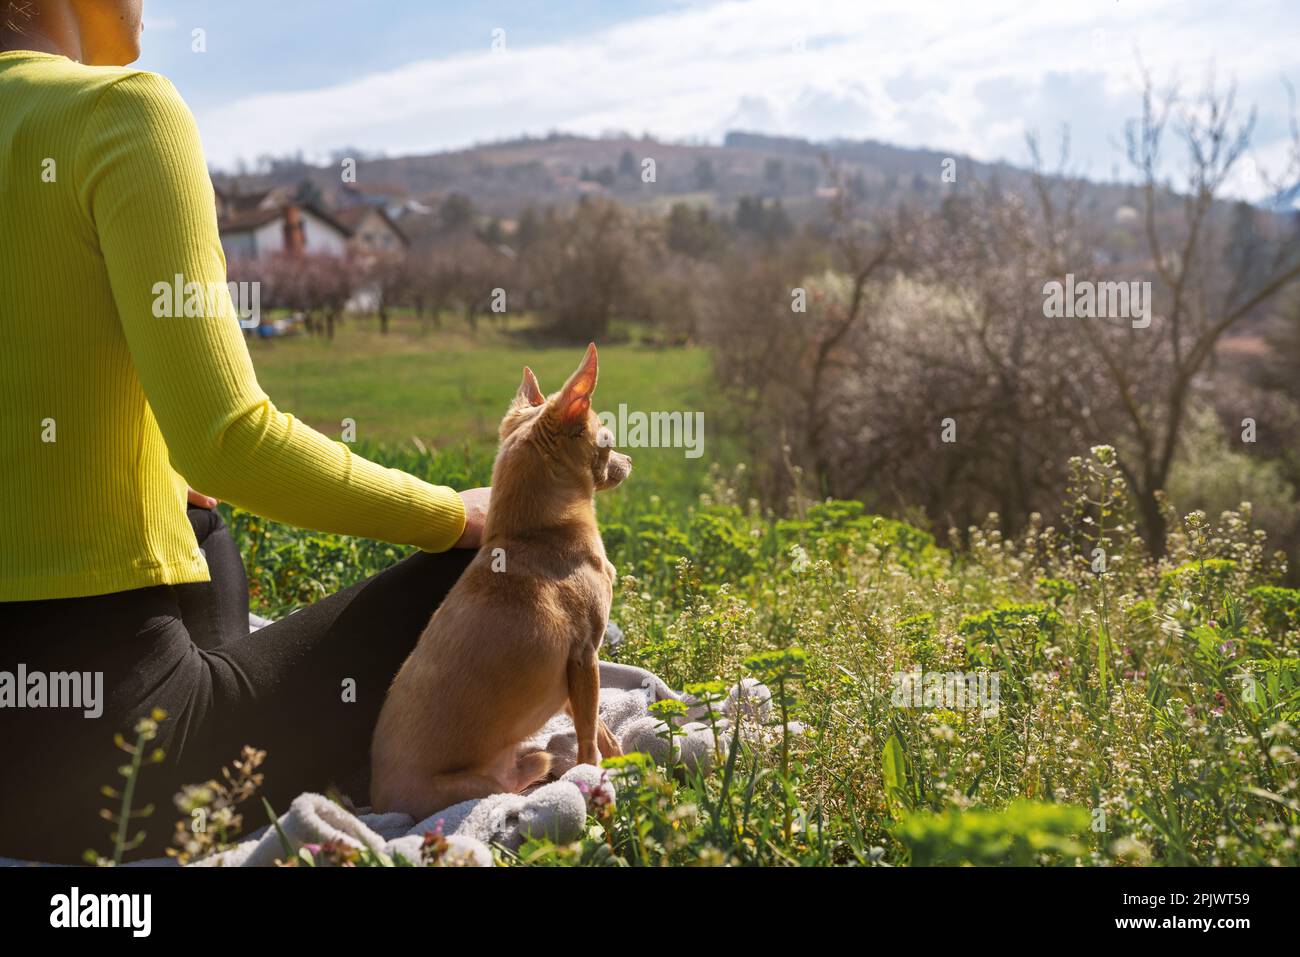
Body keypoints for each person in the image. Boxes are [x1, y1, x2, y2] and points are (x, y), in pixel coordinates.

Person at [0, 0, 491, 863]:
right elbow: (230, 438)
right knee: (492, 562)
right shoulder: (122, 111)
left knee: (198, 517)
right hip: (113, 779)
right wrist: (453, 512)